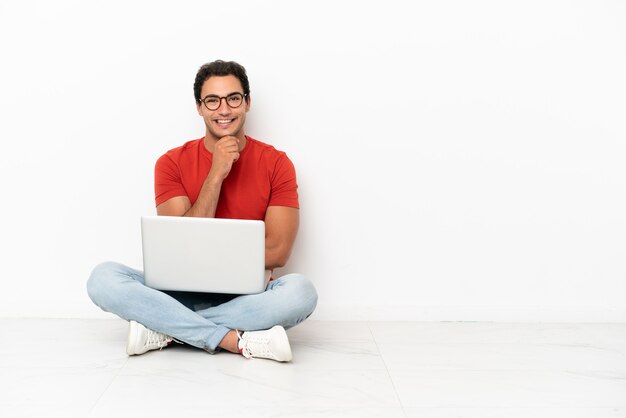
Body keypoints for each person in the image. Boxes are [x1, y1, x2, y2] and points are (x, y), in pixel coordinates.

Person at [87, 60, 317, 362]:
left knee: (301, 292)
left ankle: (167, 329)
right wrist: (216, 174)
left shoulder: (277, 163)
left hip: (248, 295)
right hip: (177, 292)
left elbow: (277, 251)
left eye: (233, 98)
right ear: (199, 107)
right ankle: (232, 339)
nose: (224, 110)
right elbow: (177, 245)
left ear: (247, 103)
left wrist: (205, 254)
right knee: (103, 278)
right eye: (212, 100)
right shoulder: (170, 163)